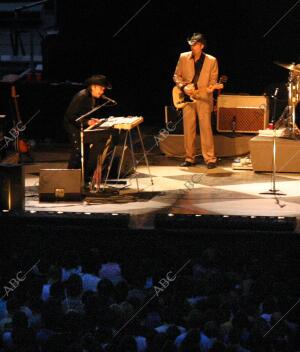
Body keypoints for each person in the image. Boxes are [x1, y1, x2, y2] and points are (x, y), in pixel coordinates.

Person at [173, 33, 218, 168]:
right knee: (188, 128)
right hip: (187, 97)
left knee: (206, 129)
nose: (192, 46)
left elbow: (213, 81)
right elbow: (176, 76)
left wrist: (211, 89)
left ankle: (210, 159)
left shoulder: (211, 60)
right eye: (191, 44)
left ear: (201, 46)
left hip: (203, 97)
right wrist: (183, 87)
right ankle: (189, 158)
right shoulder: (183, 57)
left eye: (195, 44)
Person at [63, 74, 116, 182]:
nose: (102, 92)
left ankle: (82, 178)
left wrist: (91, 120)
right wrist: (87, 121)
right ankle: (69, 181)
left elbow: (82, 114)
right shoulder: (82, 96)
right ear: (94, 86)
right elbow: (71, 115)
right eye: (101, 89)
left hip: (80, 125)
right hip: (72, 126)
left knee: (85, 152)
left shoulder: (90, 97)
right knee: (78, 153)